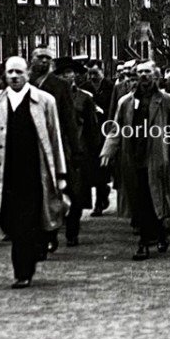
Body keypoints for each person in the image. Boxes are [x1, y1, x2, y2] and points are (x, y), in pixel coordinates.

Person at [0, 57, 68, 288]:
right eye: (10, 72)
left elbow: (54, 137)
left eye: (19, 72)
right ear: (5, 75)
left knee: (25, 224)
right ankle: (31, 252)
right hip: (4, 174)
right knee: (8, 221)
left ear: (28, 73)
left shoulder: (44, 101)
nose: (14, 76)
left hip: (33, 173)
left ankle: (23, 272)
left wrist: (60, 174)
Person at [100, 61, 170, 261]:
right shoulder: (126, 102)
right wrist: (108, 150)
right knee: (138, 202)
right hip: (133, 158)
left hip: (157, 157)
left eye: (148, 72)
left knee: (153, 198)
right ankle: (144, 241)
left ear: (155, 75)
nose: (144, 76)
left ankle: (158, 233)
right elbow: (116, 128)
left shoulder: (165, 100)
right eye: (140, 73)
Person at [30, 46, 78, 253]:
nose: (43, 62)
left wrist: (74, 149)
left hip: (55, 144)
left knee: (58, 191)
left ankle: (56, 234)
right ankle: (42, 233)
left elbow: (69, 119)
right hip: (31, 147)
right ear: (31, 59)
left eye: (47, 59)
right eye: (39, 58)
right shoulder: (27, 83)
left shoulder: (59, 86)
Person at [55, 57, 101, 247]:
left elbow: (92, 128)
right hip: (57, 150)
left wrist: (94, 151)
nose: (67, 76)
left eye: (70, 73)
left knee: (76, 193)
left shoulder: (84, 98)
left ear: (75, 75)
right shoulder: (50, 97)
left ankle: (72, 231)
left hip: (77, 153)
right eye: (63, 73)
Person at [79, 59, 113, 216]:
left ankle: (100, 201)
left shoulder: (110, 87)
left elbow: (114, 108)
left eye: (95, 73)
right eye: (90, 73)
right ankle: (101, 195)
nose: (92, 76)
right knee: (91, 168)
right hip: (89, 134)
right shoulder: (84, 88)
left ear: (102, 71)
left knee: (102, 168)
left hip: (105, 131)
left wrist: (102, 111)